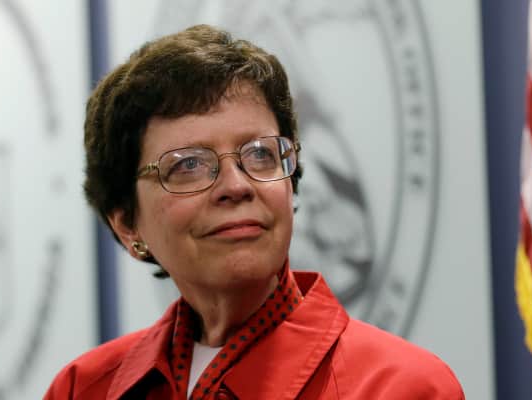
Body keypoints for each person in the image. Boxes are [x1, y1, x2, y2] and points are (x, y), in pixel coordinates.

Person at [44, 24, 464, 400]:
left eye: (260, 154)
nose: (237, 186)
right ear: (127, 224)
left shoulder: (401, 388)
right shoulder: (83, 388)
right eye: (188, 164)